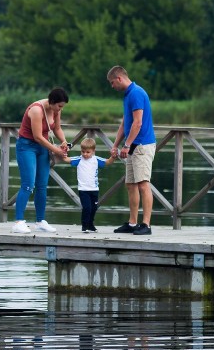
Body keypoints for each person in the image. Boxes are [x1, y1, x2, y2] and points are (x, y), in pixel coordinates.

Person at [13, 87, 70, 233]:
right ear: (51, 102)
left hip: (42, 147)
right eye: (59, 106)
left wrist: (63, 142)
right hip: (27, 146)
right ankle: (18, 221)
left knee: (42, 185)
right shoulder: (37, 110)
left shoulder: (56, 110)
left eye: (62, 107)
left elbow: (57, 128)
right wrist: (56, 150)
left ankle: (40, 221)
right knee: (28, 184)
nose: (60, 110)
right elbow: (37, 136)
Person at [107, 65, 155, 235]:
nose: (112, 87)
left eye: (112, 83)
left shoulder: (136, 93)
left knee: (143, 184)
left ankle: (146, 224)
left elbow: (138, 122)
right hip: (133, 145)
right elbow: (125, 123)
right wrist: (116, 144)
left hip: (142, 145)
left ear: (119, 78)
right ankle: (133, 223)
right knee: (131, 184)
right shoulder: (127, 95)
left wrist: (126, 145)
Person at [58, 137, 115, 232]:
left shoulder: (96, 160)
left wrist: (113, 157)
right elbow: (66, 160)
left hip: (94, 189)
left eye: (87, 152)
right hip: (83, 190)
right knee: (87, 208)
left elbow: (108, 162)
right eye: (83, 151)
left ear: (93, 151)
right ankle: (84, 226)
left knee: (94, 208)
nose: (85, 154)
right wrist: (63, 152)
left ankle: (91, 225)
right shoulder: (79, 159)